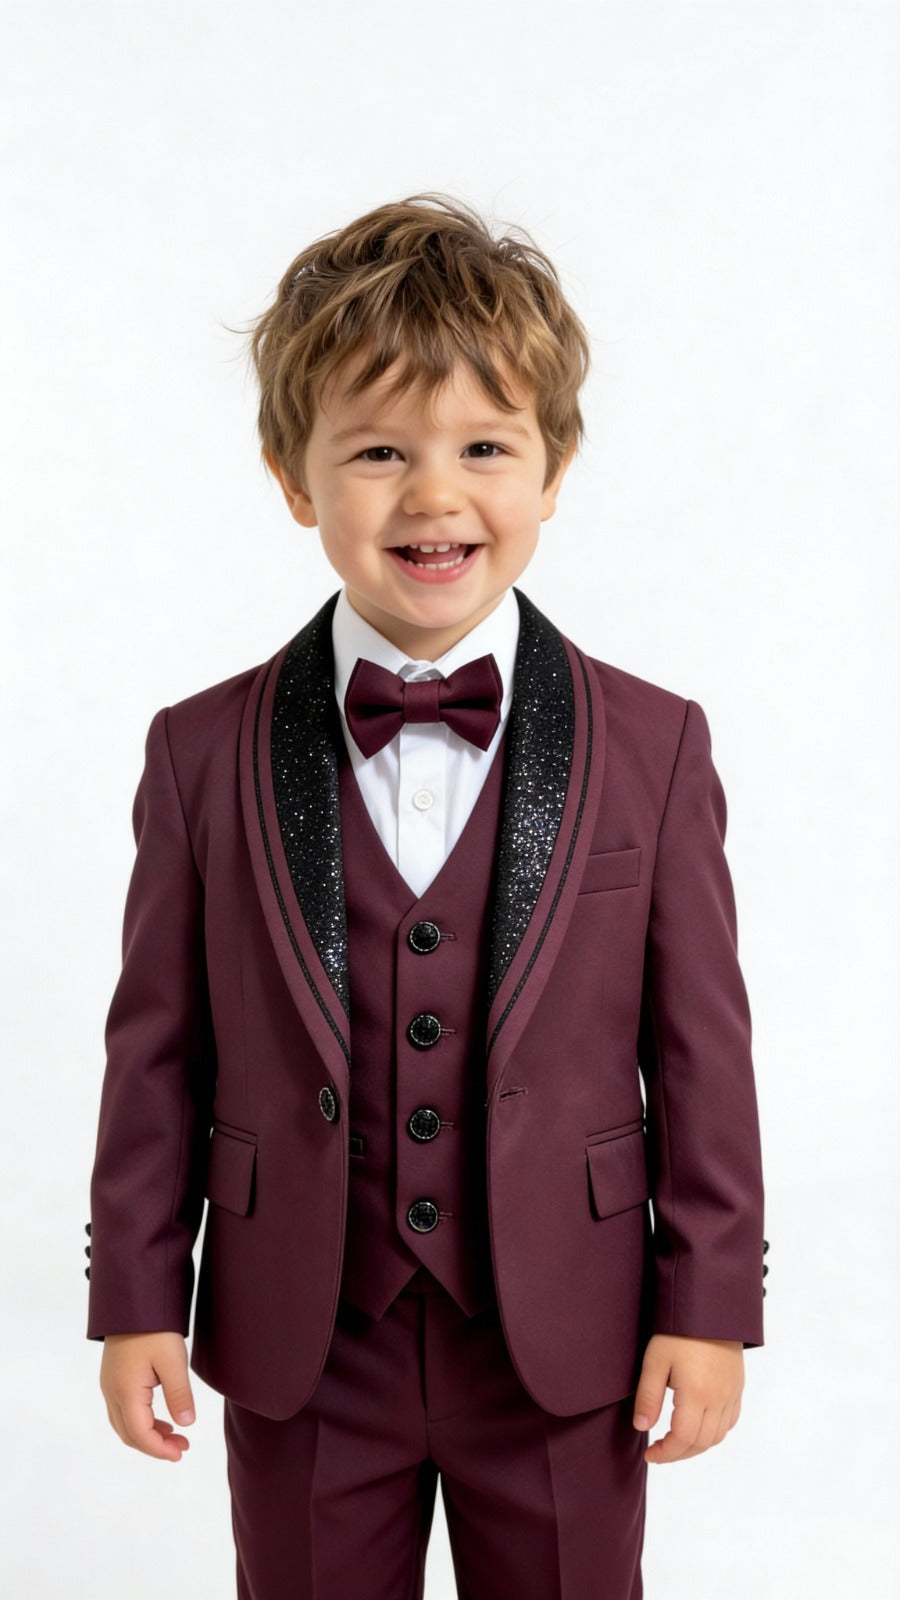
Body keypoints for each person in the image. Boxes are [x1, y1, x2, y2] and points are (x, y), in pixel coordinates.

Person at [86, 193, 767, 1599]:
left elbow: (702, 1048)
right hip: (305, 1336)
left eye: (484, 448)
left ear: (555, 467)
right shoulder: (200, 751)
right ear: (293, 476)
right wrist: (137, 1295)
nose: (434, 496)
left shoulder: (654, 745)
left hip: (567, 1334)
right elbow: (156, 1047)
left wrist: (709, 1304)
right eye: (379, 451)